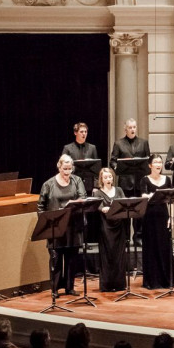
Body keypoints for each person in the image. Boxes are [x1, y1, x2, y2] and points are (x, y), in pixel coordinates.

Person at [38, 154, 87, 296]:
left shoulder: (77, 180)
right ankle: (54, 289)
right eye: (65, 168)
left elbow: (83, 197)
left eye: (69, 169)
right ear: (59, 167)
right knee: (56, 258)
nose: (67, 172)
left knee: (72, 258)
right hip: (56, 226)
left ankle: (69, 287)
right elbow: (41, 206)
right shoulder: (48, 184)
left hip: (73, 225)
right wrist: (46, 223)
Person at [140, 154, 174, 290]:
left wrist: (171, 218)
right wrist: (149, 196)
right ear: (150, 165)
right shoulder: (145, 180)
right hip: (149, 217)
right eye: (156, 162)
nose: (158, 165)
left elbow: (171, 200)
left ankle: (166, 279)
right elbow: (143, 196)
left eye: (160, 162)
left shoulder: (167, 179)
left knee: (164, 246)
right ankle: (152, 280)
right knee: (151, 247)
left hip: (163, 216)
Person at [110, 118, 151, 242]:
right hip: (125, 182)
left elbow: (148, 160)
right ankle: (126, 238)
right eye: (130, 127)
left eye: (134, 127)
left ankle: (138, 237)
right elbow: (113, 160)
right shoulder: (118, 143)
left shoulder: (144, 142)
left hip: (140, 181)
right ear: (125, 129)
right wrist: (116, 167)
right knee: (125, 211)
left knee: (138, 211)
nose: (132, 129)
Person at [92, 167, 127, 292]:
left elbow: (124, 203)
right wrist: (103, 208)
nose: (108, 179)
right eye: (105, 177)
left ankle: (120, 284)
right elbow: (99, 207)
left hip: (119, 226)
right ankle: (107, 284)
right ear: (101, 179)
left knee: (119, 254)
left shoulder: (119, 190)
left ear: (113, 178)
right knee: (107, 254)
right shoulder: (97, 193)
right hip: (106, 227)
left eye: (110, 177)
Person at [62, 122, 101, 191]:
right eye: (81, 132)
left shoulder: (92, 148)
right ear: (75, 133)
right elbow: (62, 167)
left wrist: (96, 186)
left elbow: (96, 169)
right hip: (72, 183)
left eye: (85, 132)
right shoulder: (67, 148)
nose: (84, 134)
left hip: (89, 184)